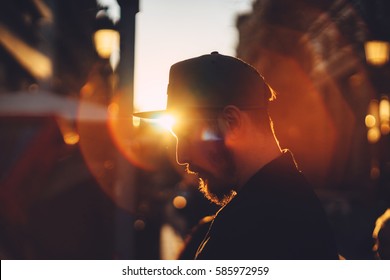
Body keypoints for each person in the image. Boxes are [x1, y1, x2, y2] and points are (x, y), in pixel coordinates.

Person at [134, 51, 339, 259]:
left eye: (186, 135)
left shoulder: (250, 228)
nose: (181, 156)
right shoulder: (292, 207)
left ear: (232, 122)